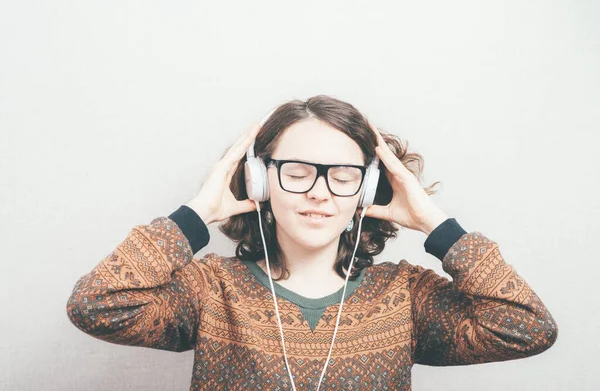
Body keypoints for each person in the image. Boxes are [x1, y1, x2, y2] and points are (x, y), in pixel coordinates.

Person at [66, 95, 558, 391]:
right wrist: (195, 216)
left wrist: (437, 225)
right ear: (260, 182)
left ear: (365, 190)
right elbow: (96, 305)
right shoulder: (210, 290)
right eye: (297, 172)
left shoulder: (405, 297)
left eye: (343, 176)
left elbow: (528, 328)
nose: (319, 192)